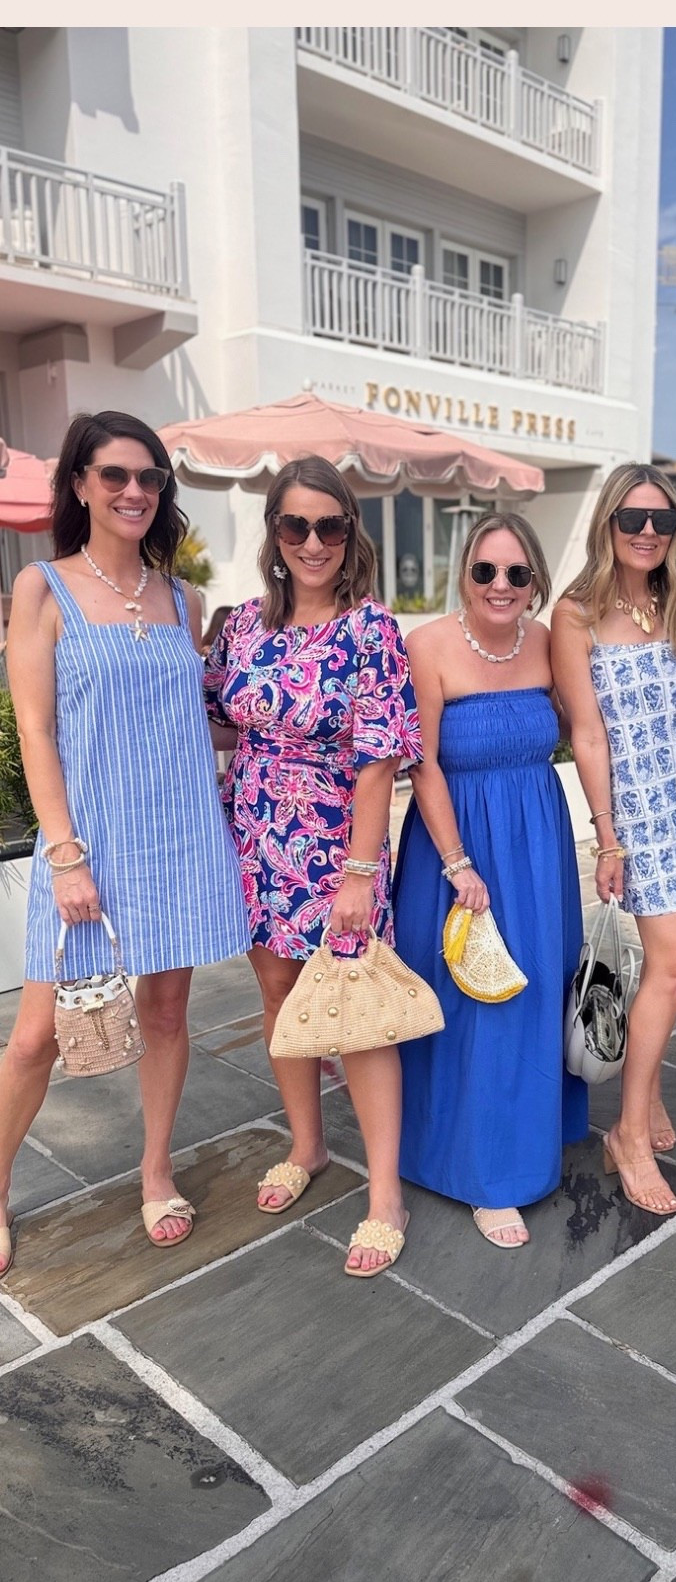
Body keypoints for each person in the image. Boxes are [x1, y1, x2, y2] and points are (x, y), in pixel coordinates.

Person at [0, 410, 250, 1278]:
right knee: (36, 1036)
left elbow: (197, 720)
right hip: (90, 840)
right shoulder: (44, 589)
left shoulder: (184, 598)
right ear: (80, 485)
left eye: (149, 477)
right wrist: (64, 853)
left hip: (180, 832)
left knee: (169, 1014)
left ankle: (155, 1171)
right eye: (115, 475)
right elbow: (34, 729)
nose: (135, 490)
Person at [204, 457, 421, 1277]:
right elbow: (225, 718)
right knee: (278, 996)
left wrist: (361, 874)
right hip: (256, 836)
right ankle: (308, 1146)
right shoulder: (243, 627)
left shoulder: (369, 629)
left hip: (337, 844)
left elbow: (377, 760)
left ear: (350, 533)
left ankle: (385, 1193)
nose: (313, 541)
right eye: (295, 525)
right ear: (275, 533)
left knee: (358, 1012)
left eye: (329, 525)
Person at [393, 513, 588, 1248]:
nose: (500, 586)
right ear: (464, 574)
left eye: (516, 573)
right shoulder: (430, 646)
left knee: (535, 987)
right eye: (485, 571)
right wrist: (456, 863)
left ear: (535, 580)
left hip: (537, 840)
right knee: (476, 1004)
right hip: (457, 848)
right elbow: (424, 763)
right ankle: (486, 1173)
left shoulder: (548, 643)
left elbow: (583, 726)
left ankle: (532, 1134)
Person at [551, 463, 676, 1217]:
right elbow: (587, 734)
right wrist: (607, 837)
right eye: (632, 519)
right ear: (607, 525)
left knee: (673, 962)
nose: (647, 532)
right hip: (639, 813)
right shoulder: (578, 612)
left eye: (661, 519)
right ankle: (628, 1131)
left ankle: (645, 1099)